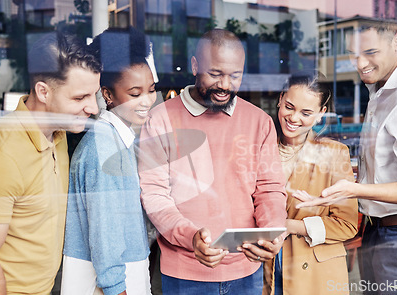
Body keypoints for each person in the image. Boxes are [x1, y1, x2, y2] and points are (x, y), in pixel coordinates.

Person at [294, 21, 397, 293]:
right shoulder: (383, 88)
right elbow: (388, 167)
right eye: (353, 54)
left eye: (370, 52)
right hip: (386, 231)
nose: (359, 63)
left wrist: (352, 190)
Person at [137, 29, 287, 294]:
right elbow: (154, 194)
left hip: (246, 269)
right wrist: (191, 237)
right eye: (215, 74)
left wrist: (272, 230)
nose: (225, 85)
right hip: (185, 272)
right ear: (195, 66)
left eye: (235, 76)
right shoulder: (159, 119)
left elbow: (270, 188)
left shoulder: (259, 122)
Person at [0, 31, 101, 295]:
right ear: (43, 92)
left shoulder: (58, 134)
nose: (93, 108)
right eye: (80, 98)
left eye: (93, 95)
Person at [61, 27, 156, 295]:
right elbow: (106, 233)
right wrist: (116, 288)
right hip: (113, 285)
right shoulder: (104, 146)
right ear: (108, 94)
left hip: (124, 274)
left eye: (151, 90)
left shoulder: (117, 139)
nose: (147, 101)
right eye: (135, 93)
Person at [263, 74, 358, 295]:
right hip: (266, 264)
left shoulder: (335, 154)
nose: (294, 118)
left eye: (306, 113)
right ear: (280, 99)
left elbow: (347, 224)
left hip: (315, 271)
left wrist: (291, 226)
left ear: (321, 114)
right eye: (289, 107)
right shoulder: (260, 148)